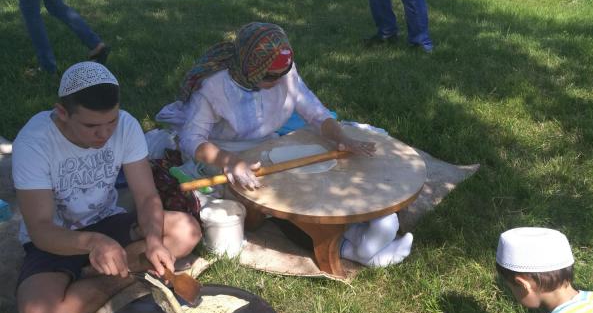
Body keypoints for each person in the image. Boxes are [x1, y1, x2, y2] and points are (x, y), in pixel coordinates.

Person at [155, 22, 413, 267]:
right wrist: (230, 162)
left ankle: (359, 237)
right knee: (274, 199)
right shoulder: (214, 87)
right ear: (249, 68)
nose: (279, 80)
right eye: (270, 77)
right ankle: (350, 249)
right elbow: (191, 139)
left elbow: (315, 112)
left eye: (283, 74)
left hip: (267, 145)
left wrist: (342, 137)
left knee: (305, 181)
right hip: (223, 153)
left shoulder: (283, 72)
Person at [12, 62, 202, 313]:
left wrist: (152, 240)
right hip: (57, 238)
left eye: (111, 121)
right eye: (91, 126)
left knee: (186, 231)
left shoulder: (126, 125)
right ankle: (127, 270)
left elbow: (147, 195)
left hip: (107, 220)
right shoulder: (34, 142)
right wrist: (94, 243)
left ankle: (108, 273)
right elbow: (41, 229)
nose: (104, 134)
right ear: (62, 113)